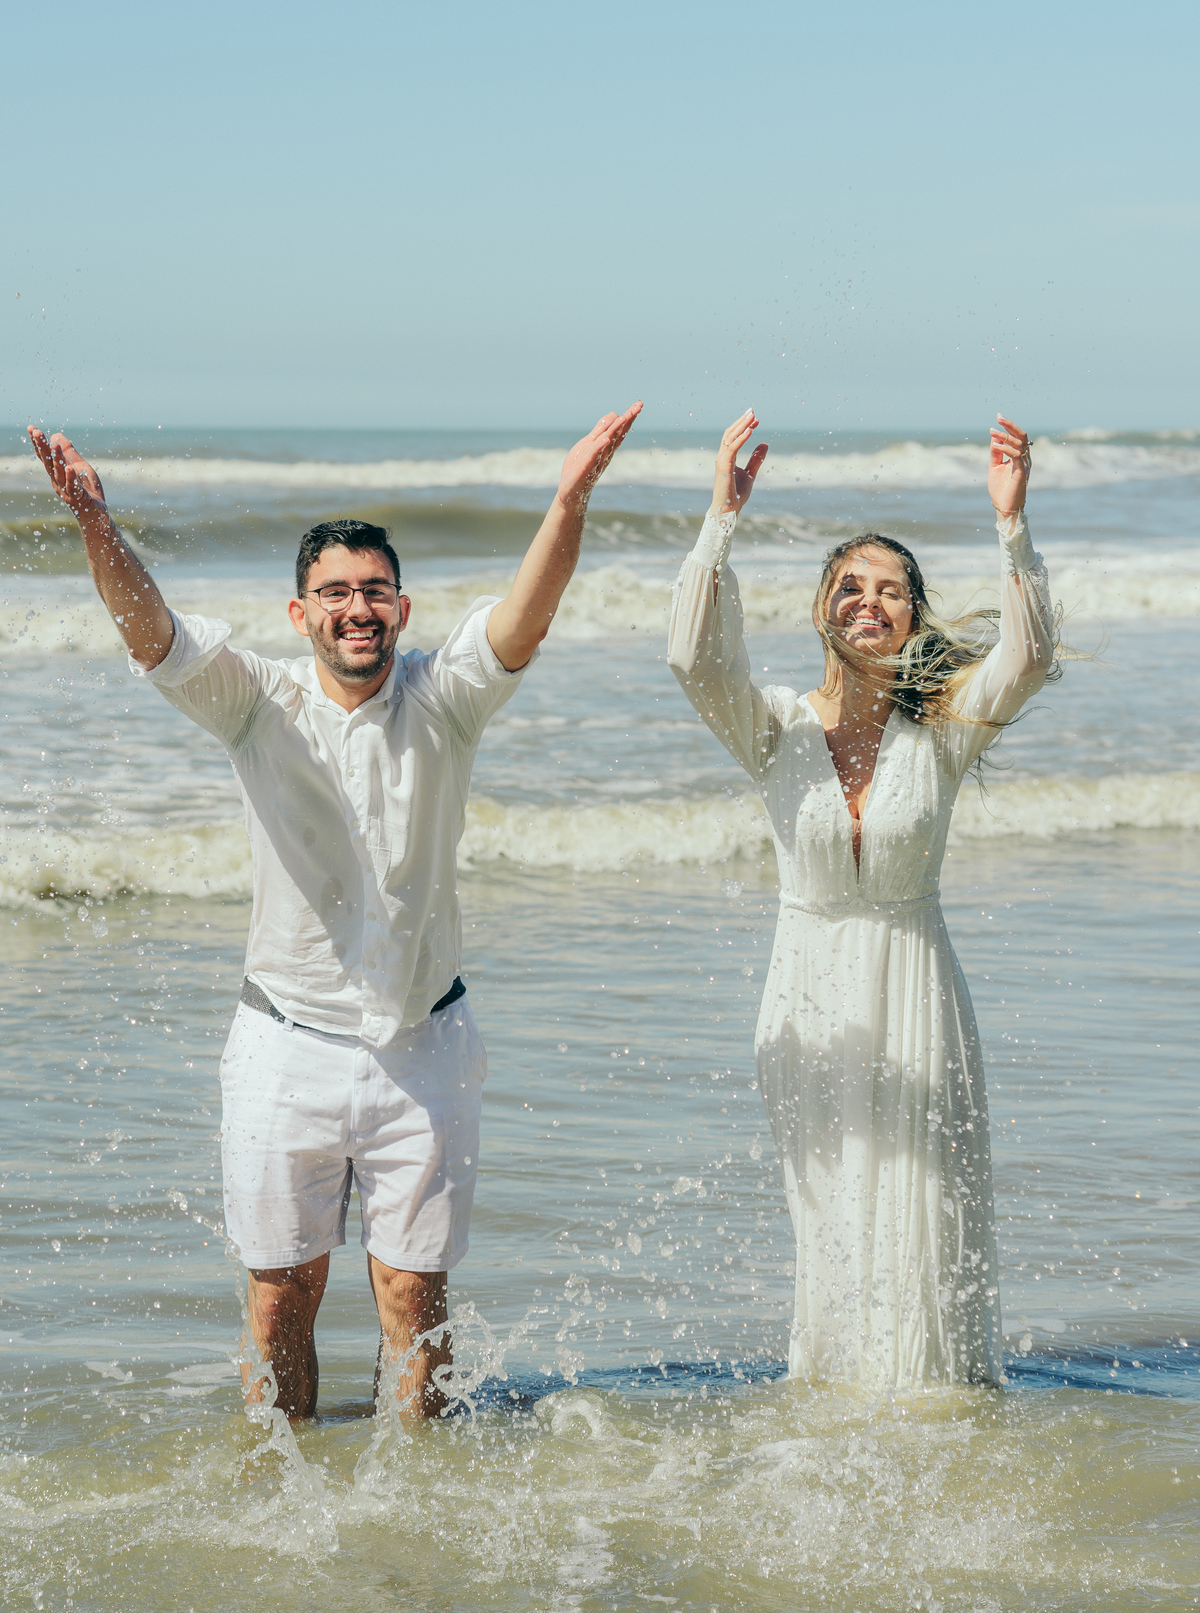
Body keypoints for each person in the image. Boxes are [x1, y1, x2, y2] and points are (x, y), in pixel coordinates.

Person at [29, 404, 642, 1418]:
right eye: (333, 594)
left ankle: (413, 1508)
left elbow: (526, 617)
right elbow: (155, 637)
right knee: (279, 1300)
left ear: (400, 610)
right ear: (299, 613)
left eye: (373, 591)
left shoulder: (445, 698)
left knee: (415, 1295)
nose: (355, 608)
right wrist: (98, 524)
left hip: (426, 1046)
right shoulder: (255, 702)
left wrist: (568, 498)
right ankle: (283, 1495)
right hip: (285, 1046)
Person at [667, 411, 1054, 1388]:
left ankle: (934, 1405)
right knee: (832, 1217)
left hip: (915, 990)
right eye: (851, 586)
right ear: (823, 609)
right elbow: (691, 657)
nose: (869, 600)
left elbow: (1032, 656)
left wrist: (1013, 526)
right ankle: (837, 1395)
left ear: (912, 617)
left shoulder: (948, 729)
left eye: (890, 590)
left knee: (921, 1212)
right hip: (805, 1000)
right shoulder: (772, 730)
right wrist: (721, 517)